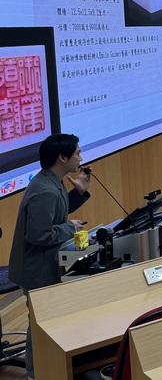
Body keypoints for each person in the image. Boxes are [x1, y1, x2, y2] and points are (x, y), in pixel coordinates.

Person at [8, 134, 92, 380]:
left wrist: (79, 192)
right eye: (77, 153)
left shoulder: (51, 181)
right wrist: (70, 227)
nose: (81, 158)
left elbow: (55, 212)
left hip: (44, 265)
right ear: (62, 157)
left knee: (45, 321)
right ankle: (36, 374)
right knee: (39, 325)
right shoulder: (44, 189)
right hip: (37, 270)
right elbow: (39, 234)